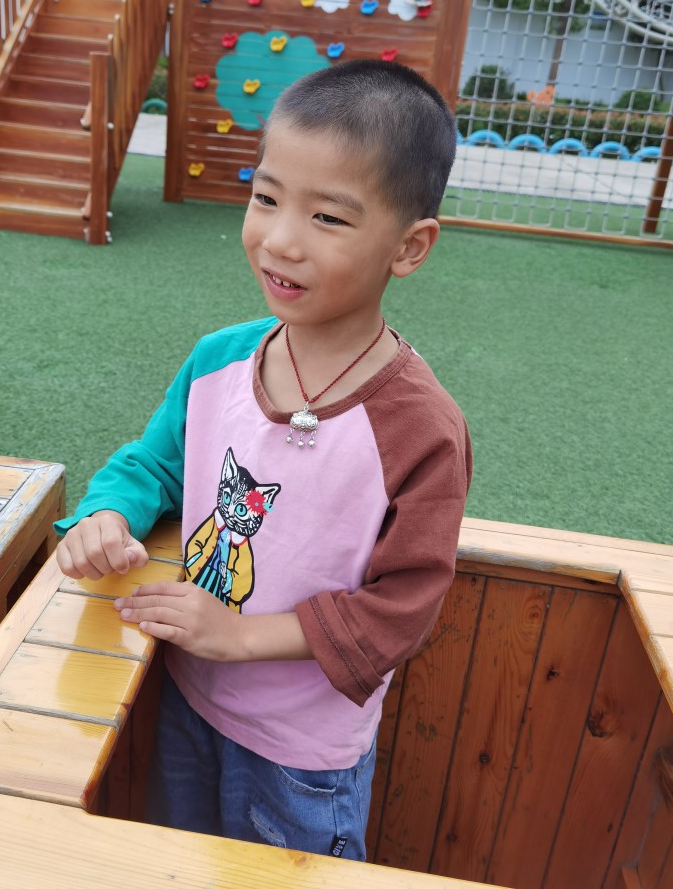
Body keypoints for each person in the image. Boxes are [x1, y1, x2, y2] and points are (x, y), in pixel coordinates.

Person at [55, 60, 472, 862]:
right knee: (180, 868)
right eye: (266, 197)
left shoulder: (421, 429)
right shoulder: (219, 359)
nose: (280, 239)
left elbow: (405, 606)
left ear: (410, 246)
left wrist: (240, 637)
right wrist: (106, 513)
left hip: (301, 757)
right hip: (187, 697)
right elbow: (155, 464)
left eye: (329, 217)